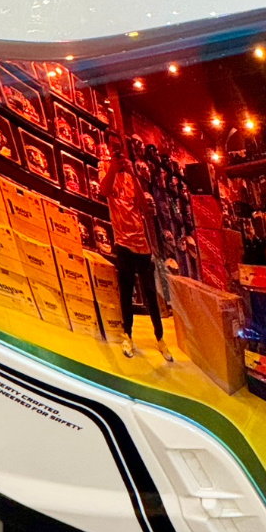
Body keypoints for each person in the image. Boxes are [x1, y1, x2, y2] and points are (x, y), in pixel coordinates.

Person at [98, 135, 174, 362]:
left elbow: (143, 206)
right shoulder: (104, 168)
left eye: (120, 148)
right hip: (123, 243)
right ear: (108, 148)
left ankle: (160, 338)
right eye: (114, 148)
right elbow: (104, 191)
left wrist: (133, 174)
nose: (118, 152)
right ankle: (128, 335)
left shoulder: (131, 174)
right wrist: (114, 167)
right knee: (126, 292)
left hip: (142, 245)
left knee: (151, 294)